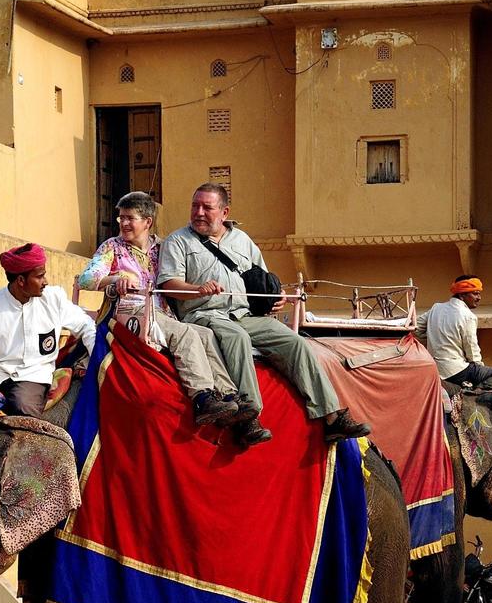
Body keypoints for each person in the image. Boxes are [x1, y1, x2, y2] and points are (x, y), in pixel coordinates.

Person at [158, 183, 369, 444]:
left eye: (207, 207)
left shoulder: (242, 240)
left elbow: (263, 281)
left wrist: (275, 298)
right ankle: (249, 417)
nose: (199, 212)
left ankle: (331, 416)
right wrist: (197, 289)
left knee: (294, 342)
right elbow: (168, 284)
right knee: (237, 338)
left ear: (224, 212)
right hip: (204, 313)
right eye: (195, 206)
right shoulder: (178, 241)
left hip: (245, 314)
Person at [77, 191, 249, 430]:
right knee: (185, 334)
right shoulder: (112, 248)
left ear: (147, 222)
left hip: (164, 314)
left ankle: (229, 395)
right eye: (121, 218)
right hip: (130, 312)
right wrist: (115, 278)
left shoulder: (164, 247)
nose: (124, 223)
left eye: (130, 218)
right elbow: (85, 280)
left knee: (205, 334)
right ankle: (201, 397)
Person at [0, 242, 97, 417]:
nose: (45, 282)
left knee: (22, 406)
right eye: (39, 277)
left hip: (32, 375)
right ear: (21, 281)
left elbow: (86, 325)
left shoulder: (54, 299)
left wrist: (96, 359)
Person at [415, 275, 492, 388]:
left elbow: (416, 329)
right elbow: (471, 349)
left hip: (434, 368)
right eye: (475, 293)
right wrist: (479, 369)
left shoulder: (436, 308)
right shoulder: (468, 316)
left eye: (479, 293)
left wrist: (433, 339)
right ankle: (475, 394)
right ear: (462, 295)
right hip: (455, 370)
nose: (479, 298)